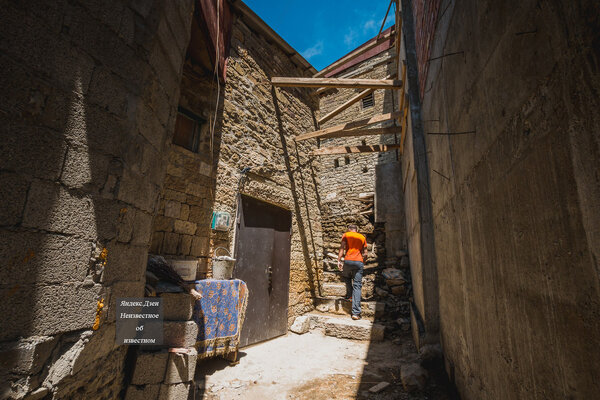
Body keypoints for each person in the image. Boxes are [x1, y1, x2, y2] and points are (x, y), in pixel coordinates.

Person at [337, 224, 367, 320]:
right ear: (356, 229)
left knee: (346, 277)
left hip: (348, 260)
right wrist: (363, 262)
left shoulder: (346, 235)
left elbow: (342, 248)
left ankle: (349, 295)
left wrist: (339, 260)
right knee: (357, 286)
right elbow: (365, 253)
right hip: (359, 262)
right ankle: (356, 313)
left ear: (349, 229)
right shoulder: (362, 237)